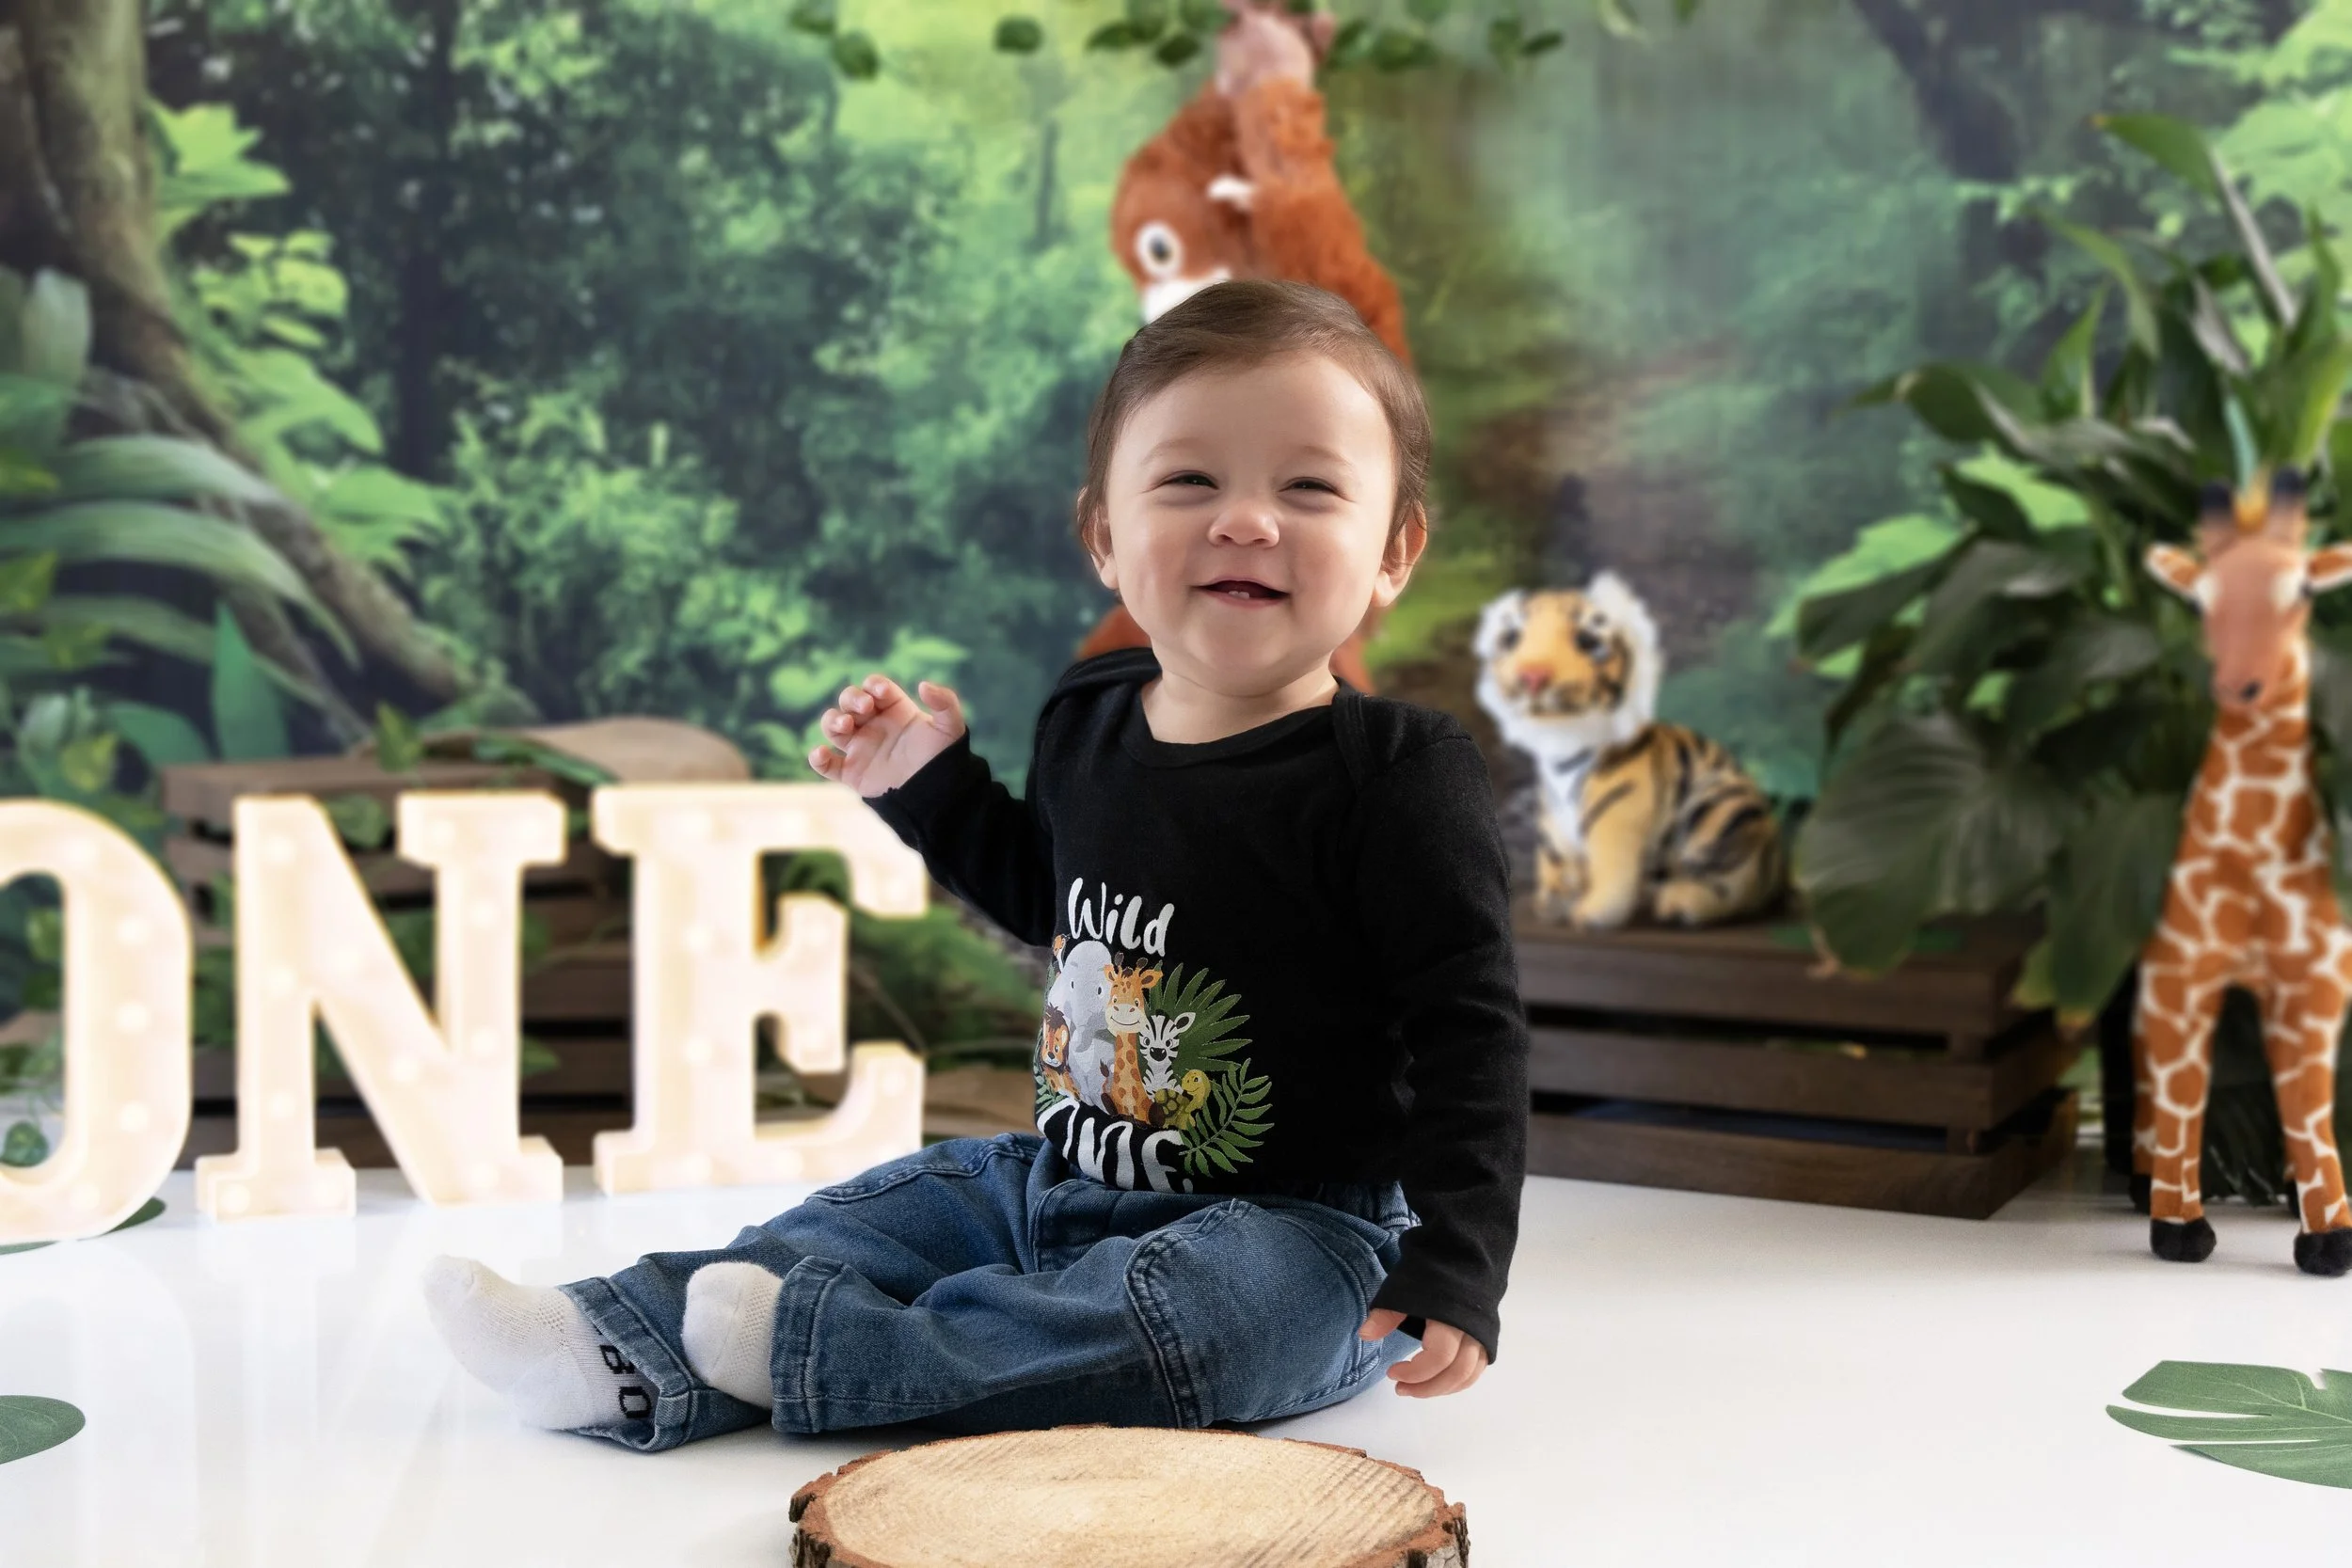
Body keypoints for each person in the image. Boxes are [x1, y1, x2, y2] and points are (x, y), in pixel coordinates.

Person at [420, 279, 1529, 1452]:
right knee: (868, 1220)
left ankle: (826, 1352)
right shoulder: (1090, 714)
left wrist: (1456, 1259)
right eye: (1189, 481)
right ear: (1104, 535)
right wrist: (929, 785)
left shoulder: (1395, 772)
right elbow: (1055, 899)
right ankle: (613, 1340)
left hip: (1296, 1228)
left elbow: (1471, 1031)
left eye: (1307, 487)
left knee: (1213, 1328)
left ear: (1393, 550)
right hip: (1055, 1177)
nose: (1246, 520)